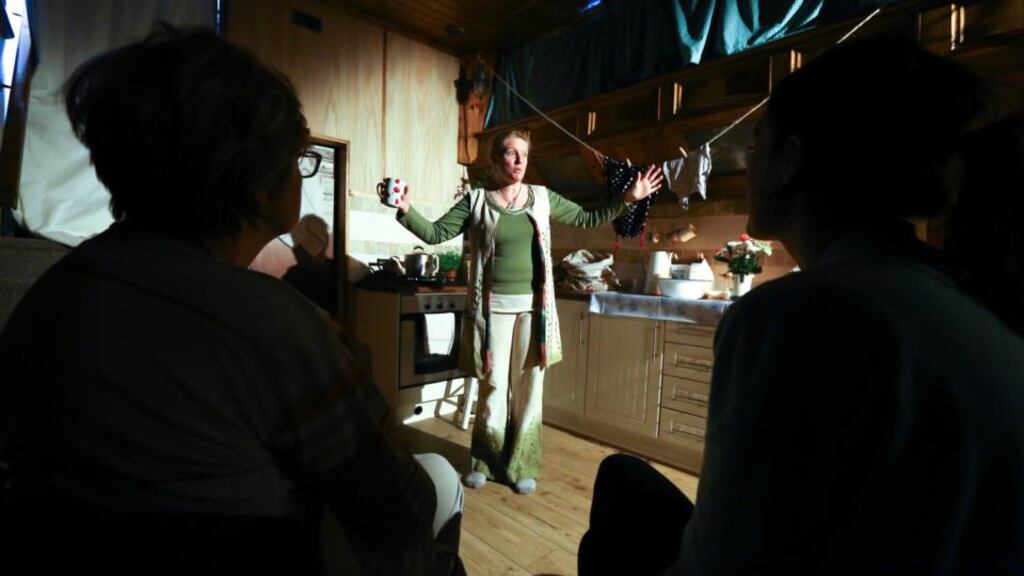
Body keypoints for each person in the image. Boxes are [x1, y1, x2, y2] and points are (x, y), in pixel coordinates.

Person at [0, 26, 463, 575]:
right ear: (256, 185)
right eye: (297, 159)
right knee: (439, 480)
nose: (301, 172)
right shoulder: (277, 327)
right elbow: (398, 511)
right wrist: (364, 389)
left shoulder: (51, 296)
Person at [579, 37, 1024, 575]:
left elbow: (725, 561)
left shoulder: (791, 317)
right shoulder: (968, 296)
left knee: (619, 494)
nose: (744, 167)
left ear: (789, 160)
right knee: (626, 480)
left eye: (755, 146)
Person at [379, 130, 663, 494]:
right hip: (492, 309)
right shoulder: (477, 200)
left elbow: (588, 219)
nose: (518, 161)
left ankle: (522, 463)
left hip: (534, 310)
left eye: (523, 155)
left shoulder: (543, 198)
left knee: (530, 384)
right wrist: (405, 207)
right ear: (496, 160)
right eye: (510, 154)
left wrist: (628, 198)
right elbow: (436, 233)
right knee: (494, 384)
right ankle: (485, 459)